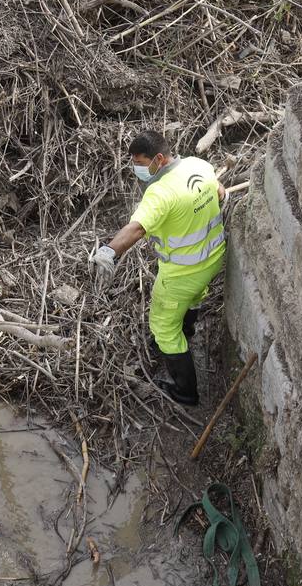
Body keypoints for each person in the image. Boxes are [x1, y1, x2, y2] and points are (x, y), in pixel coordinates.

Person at [89, 130, 226, 406]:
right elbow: (221, 194)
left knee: (163, 327)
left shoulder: (160, 193)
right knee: (193, 299)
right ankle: (186, 331)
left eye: (140, 163)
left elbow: (137, 228)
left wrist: (109, 252)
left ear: (159, 159)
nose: (137, 169)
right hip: (213, 259)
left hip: (182, 273)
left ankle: (185, 391)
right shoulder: (198, 166)